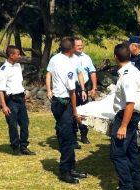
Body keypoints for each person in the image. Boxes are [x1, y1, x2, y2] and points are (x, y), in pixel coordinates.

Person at [46, 37, 87, 184]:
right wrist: (75, 112)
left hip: (57, 101)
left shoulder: (55, 58)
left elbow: (49, 74)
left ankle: (72, 167)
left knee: (69, 137)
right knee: (67, 139)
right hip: (64, 104)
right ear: (71, 50)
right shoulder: (67, 65)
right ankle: (65, 171)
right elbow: (71, 91)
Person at [110, 43, 140, 190]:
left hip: (126, 116)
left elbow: (130, 102)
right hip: (131, 115)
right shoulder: (134, 70)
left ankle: (126, 186)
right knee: (131, 153)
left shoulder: (127, 76)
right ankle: (137, 185)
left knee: (117, 154)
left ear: (115, 57)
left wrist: (123, 126)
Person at [0, 45, 35, 156]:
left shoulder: (18, 66)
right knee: (13, 125)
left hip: (20, 99)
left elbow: (19, 83)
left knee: (24, 123)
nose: (19, 56)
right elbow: (0, 90)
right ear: (11, 55)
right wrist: (4, 106)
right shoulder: (3, 70)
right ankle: (15, 148)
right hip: (11, 101)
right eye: (17, 54)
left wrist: (23, 95)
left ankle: (24, 146)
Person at [73, 37, 98, 144]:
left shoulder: (87, 58)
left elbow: (92, 72)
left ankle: (84, 135)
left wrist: (94, 87)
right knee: (72, 111)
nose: (80, 47)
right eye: (78, 45)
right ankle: (72, 135)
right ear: (72, 46)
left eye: (81, 45)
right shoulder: (68, 57)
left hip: (84, 88)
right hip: (72, 88)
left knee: (83, 111)